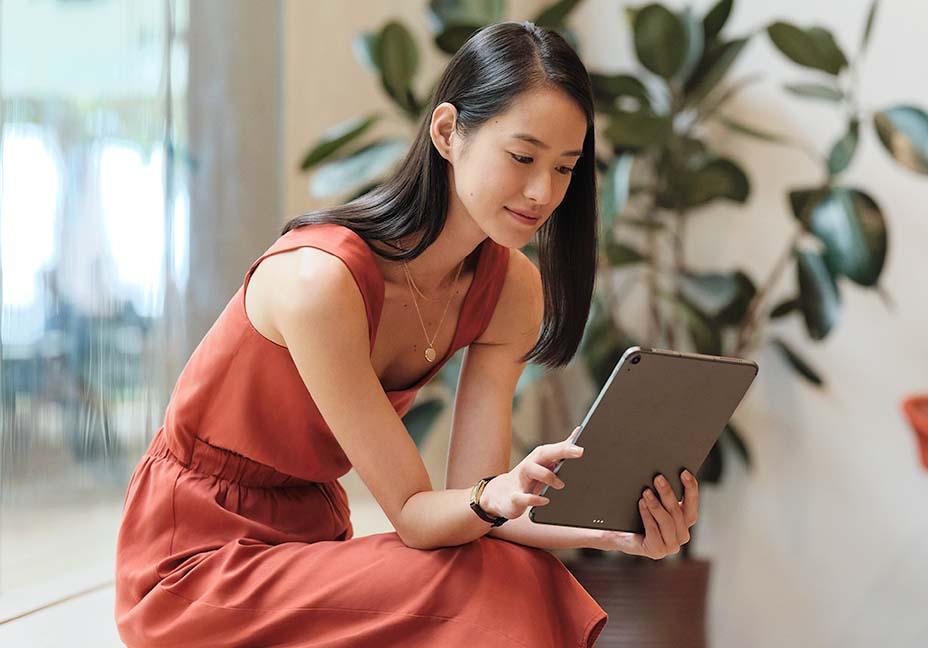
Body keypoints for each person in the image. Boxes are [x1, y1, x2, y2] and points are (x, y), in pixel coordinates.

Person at [114, 20, 699, 648]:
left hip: (310, 546)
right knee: (494, 586)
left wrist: (610, 533)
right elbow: (419, 516)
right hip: (193, 565)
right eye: (522, 157)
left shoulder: (510, 290)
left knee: (514, 570)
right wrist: (496, 493)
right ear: (447, 132)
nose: (542, 192)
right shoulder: (321, 281)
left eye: (564, 168)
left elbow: (476, 513)